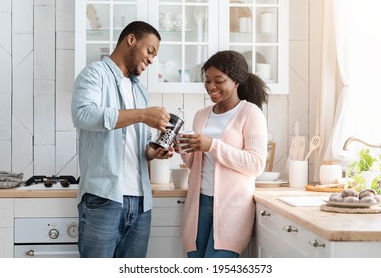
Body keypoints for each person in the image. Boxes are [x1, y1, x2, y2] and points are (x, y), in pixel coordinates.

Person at [71, 21, 174, 258]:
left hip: (140, 203)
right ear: (131, 40)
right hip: (104, 199)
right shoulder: (94, 73)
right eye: (150, 51)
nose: (151, 60)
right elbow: (82, 114)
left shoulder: (139, 90)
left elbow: (141, 147)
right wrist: (142, 114)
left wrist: (155, 151)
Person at [177, 50, 269, 258]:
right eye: (207, 81)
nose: (211, 87)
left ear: (236, 81)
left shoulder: (250, 113)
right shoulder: (201, 115)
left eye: (218, 81)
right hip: (199, 203)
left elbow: (256, 164)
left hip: (232, 206)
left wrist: (212, 145)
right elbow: (196, 164)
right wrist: (183, 148)